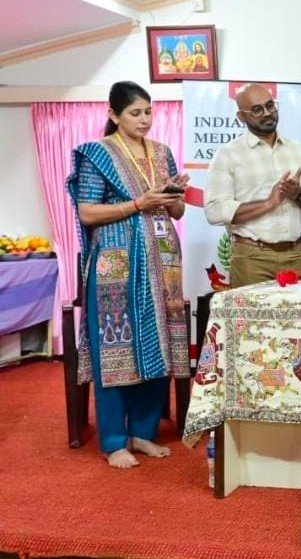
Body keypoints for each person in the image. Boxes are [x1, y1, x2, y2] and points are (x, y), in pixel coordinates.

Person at [66, 81, 190, 469]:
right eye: (135, 113)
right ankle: (114, 440)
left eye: (148, 112)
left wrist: (172, 196)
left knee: (161, 346)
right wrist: (139, 203)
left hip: (162, 263)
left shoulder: (162, 152)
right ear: (114, 114)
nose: (144, 119)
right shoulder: (97, 154)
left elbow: (178, 212)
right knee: (115, 348)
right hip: (115, 265)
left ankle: (142, 433)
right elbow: (87, 212)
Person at [205, 83, 301, 287]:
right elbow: (214, 211)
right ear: (241, 117)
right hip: (251, 258)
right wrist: (268, 203)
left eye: (270, 106)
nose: (267, 113)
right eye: (257, 110)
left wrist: (299, 194)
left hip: (297, 255)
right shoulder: (228, 154)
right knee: (251, 310)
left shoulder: (298, 150)